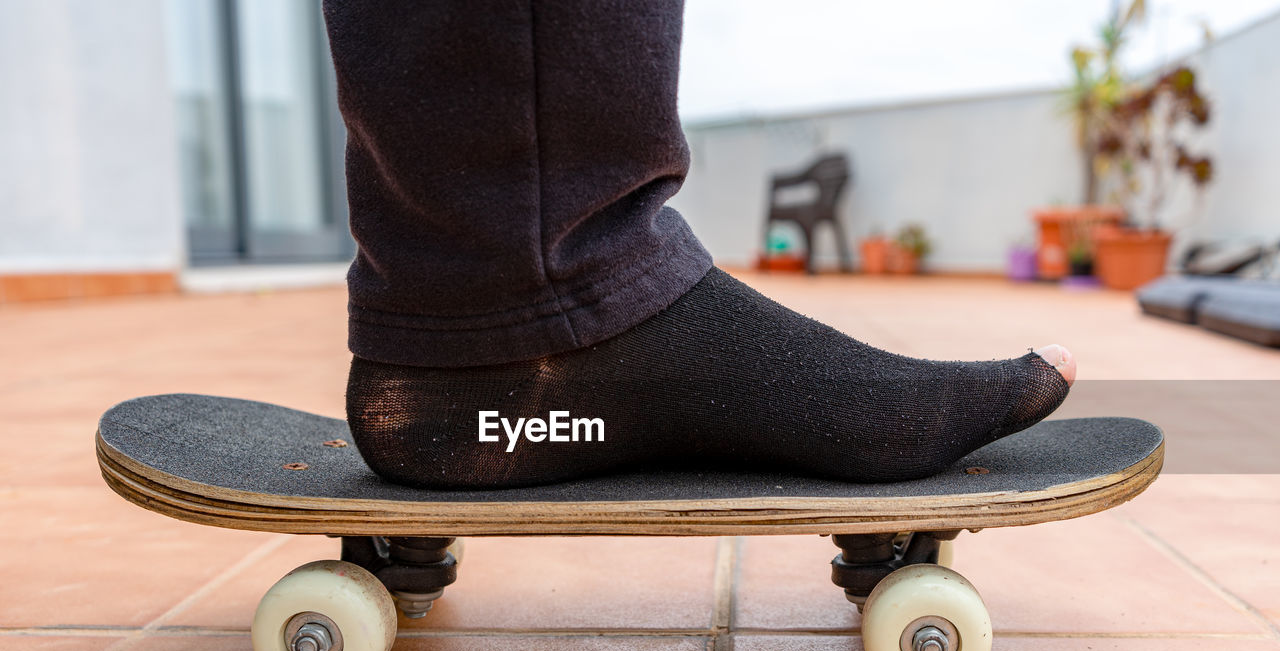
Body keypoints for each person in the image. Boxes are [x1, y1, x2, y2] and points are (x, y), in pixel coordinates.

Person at [322, 0, 1074, 489]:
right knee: (535, 297)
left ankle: (462, 340)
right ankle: (518, 335)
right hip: (530, 327)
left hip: (440, 341)